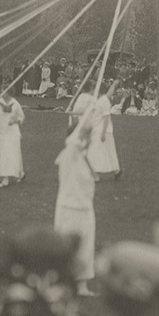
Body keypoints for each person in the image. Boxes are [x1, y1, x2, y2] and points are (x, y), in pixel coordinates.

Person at [54, 111, 97, 296]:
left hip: (85, 209)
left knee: (86, 247)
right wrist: (89, 114)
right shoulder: (68, 155)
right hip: (69, 209)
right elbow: (72, 143)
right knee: (64, 247)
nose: (88, 140)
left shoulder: (81, 157)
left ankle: (81, 286)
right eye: (85, 136)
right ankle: (60, 282)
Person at [87, 80, 121, 181]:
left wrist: (103, 133)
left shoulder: (103, 101)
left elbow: (106, 117)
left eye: (94, 89)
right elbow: (109, 93)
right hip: (98, 129)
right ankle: (117, 171)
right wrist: (114, 84)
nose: (92, 91)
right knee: (107, 152)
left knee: (95, 152)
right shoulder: (102, 99)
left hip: (102, 131)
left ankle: (96, 176)